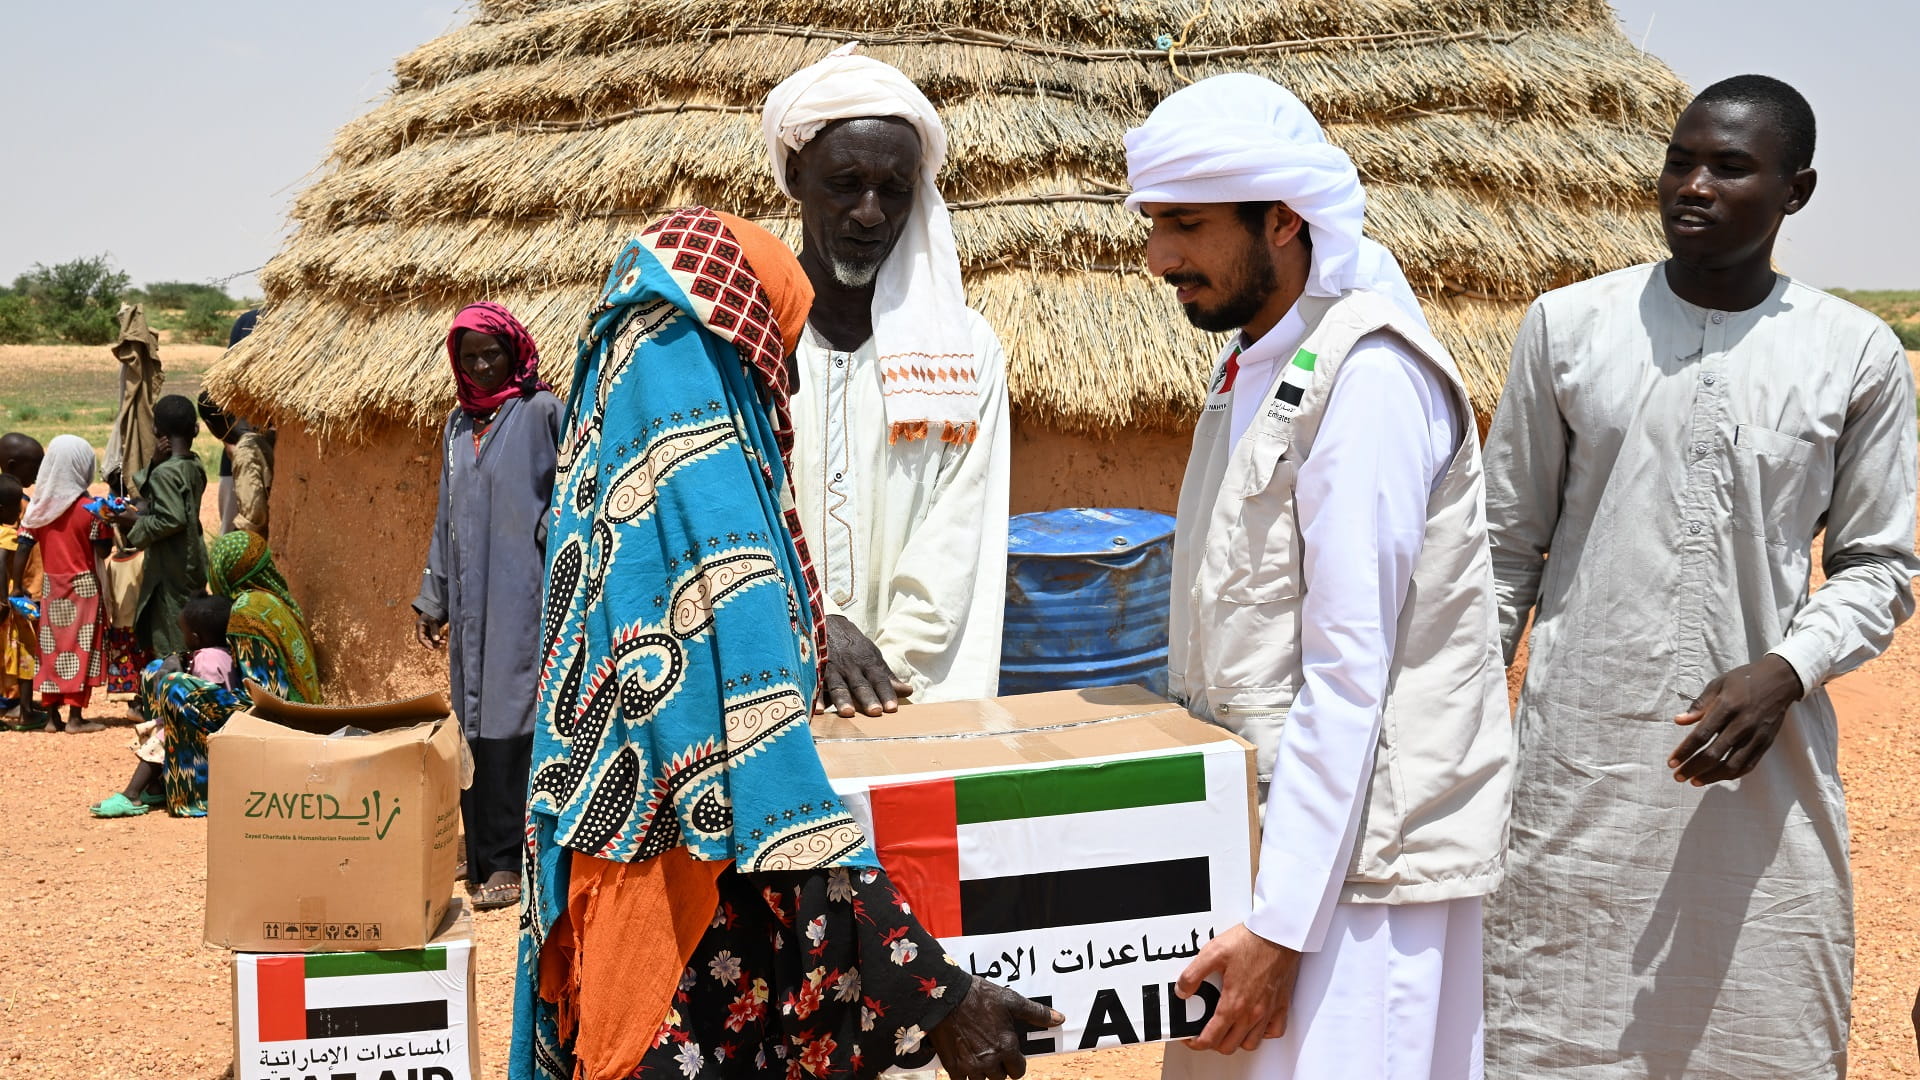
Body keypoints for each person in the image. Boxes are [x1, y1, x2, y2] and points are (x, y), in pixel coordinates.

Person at [511, 207, 1058, 1080]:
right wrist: (942, 999)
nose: (785, 383)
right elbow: (775, 799)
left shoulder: (613, 477)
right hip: (679, 939)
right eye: (778, 350)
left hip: (623, 901)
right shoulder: (711, 520)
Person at [1480, 75, 1919, 1079]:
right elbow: (1504, 549)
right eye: (1680, 161)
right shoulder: (1568, 326)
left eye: (1730, 166)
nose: (1694, 185)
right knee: (1550, 1032)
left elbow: (1878, 566)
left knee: (1761, 1034)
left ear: (1796, 191)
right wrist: (1460, 722)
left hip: (1762, 772)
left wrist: (1786, 671)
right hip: (1577, 772)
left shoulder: (1852, 351)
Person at [1124, 74, 1512, 1080]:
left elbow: (1349, 673)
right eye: (1154, 223)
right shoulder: (1254, 368)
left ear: (1285, 220)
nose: (1160, 257)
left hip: (1354, 885)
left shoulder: (1369, 376)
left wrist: (1283, 927)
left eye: (1187, 224)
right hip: (1264, 853)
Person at [762, 49, 1011, 716]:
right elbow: (718, 518)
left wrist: (883, 674)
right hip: (764, 689)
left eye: (895, 190)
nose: (871, 213)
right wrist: (811, 631)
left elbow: (959, 535)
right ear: (796, 176)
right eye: (846, 183)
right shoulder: (746, 341)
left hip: (909, 699)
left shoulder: (965, 352)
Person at [413, 301, 562, 912]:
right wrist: (434, 597)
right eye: (468, 357)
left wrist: (547, 544)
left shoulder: (542, 412)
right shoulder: (457, 425)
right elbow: (446, 515)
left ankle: (507, 857)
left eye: (490, 354)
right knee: (471, 719)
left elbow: (572, 493)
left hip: (523, 593)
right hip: (470, 604)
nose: (480, 367)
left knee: (512, 716)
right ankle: (479, 849)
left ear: (514, 352)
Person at [115, 530, 319, 817]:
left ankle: (197, 788)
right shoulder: (269, 599)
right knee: (155, 671)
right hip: (276, 711)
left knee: (175, 687)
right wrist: (178, 659)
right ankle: (164, 778)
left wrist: (184, 677)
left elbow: (256, 691)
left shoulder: (246, 611)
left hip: (273, 720)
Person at [90, 593, 236, 818]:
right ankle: (157, 787)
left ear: (195, 638)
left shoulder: (207, 660)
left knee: (164, 736)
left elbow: (204, 697)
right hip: (217, 723)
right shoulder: (223, 654)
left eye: (183, 633)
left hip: (208, 730)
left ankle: (132, 794)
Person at [15, 435, 113, 733]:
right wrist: (108, 521)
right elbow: (102, 551)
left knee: (52, 649)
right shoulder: (91, 509)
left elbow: (22, 547)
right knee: (81, 648)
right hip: (84, 588)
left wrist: (17, 587)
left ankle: (51, 718)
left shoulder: (39, 510)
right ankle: (75, 717)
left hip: (51, 588)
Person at [105, 394, 209, 659]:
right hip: (191, 555)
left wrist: (133, 521)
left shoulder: (165, 473)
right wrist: (154, 463)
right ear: (196, 429)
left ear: (155, 430)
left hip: (171, 563)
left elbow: (172, 518)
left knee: (173, 631)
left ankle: (174, 673)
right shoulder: (194, 464)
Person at [0, 475, 36, 726]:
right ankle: (26, 712)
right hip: (9, 608)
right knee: (25, 654)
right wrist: (6, 598)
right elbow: (1, 561)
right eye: (15, 506)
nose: (19, 512)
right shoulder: (7, 534)